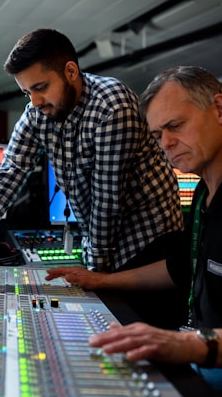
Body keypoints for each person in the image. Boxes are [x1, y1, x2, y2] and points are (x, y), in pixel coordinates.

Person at [0, 28, 184, 325]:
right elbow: (7, 176)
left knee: (152, 348)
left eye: (41, 87)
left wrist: (95, 278)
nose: (34, 101)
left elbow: (107, 201)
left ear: (70, 71)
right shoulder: (37, 115)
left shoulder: (112, 105)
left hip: (151, 243)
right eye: (26, 92)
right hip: (107, 243)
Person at [46, 66, 222, 392]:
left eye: (175, 126)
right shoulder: (203, 194)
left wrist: (191, 345)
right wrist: (101, 280)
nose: (165, 144)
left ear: (220, 110)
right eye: (157, 135)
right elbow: (178, 267)